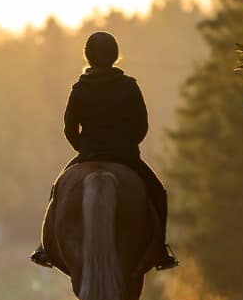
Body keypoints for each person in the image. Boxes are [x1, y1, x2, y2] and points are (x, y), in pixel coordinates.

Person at [31, 31, 179, 270]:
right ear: (115, 56)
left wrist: (86, 149)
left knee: (57, 190)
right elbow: (141, 125)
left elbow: (69, 128)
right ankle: (161, 251)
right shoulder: (130, 87)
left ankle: (45, 248)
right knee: (158, 193)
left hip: (89, 154)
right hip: (125, 156)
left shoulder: (79, 89)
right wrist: (127, 147)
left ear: (88, 57)